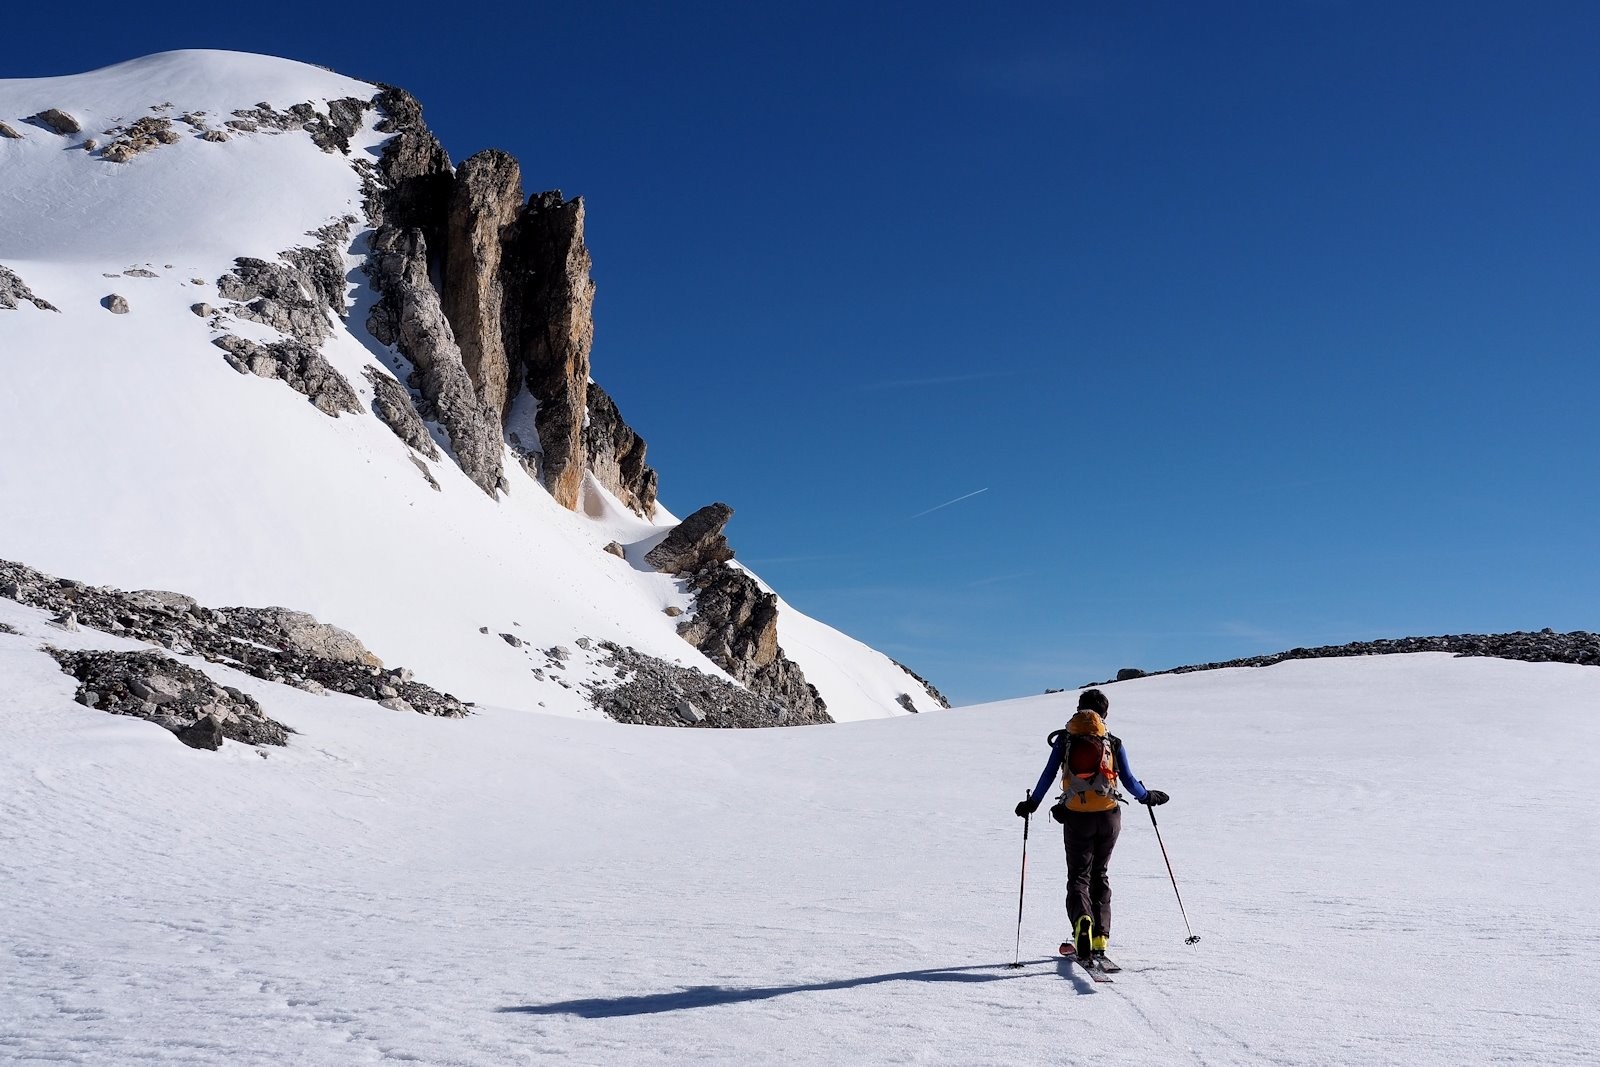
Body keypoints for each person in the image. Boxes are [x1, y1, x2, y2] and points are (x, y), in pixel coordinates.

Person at [1014, 688, 1169, 961]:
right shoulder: (1113, 742)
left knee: (1078, 877)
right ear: (1104, 714)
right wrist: (1148, 797)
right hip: (1109, 816)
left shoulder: (1065, 741)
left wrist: (1033, 804)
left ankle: (1081, 922)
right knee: (1100, 874)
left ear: (1078, 708)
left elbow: (1048, 775)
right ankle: (1100, 938)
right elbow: (1130, 781)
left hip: (1076, 817)